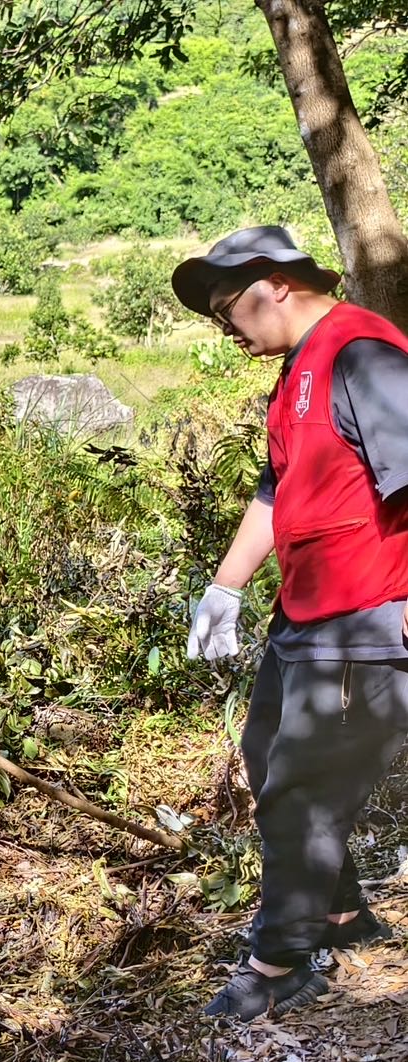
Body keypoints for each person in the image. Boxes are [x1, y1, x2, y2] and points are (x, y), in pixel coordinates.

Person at [175, 225, 402, 1021]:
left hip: (365, 613)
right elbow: (278, 491)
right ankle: (340, 913)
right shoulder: (294, 372)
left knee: (301, 790)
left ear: (273, 283)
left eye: (227, 309)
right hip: (304, 611)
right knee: (266, 752)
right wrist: (224, 587)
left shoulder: (359, 353)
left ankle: (278, 964)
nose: (226, 329)